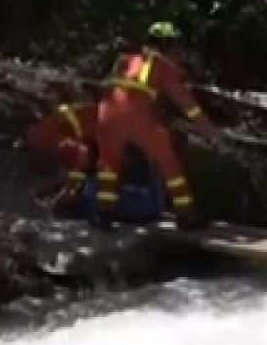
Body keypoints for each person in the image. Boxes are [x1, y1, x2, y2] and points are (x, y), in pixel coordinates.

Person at [93, 20, 219, 229]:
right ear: (166, 45)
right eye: (175, 45)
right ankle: (186, 215)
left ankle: (103, 214)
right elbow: (182, 98)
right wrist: (204, 125)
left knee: (109, 165)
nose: (178, 51)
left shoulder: (125, 60)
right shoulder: (162, 64)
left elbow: (114, 86)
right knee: (168, 161)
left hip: (107, 112)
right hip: (136, 115)